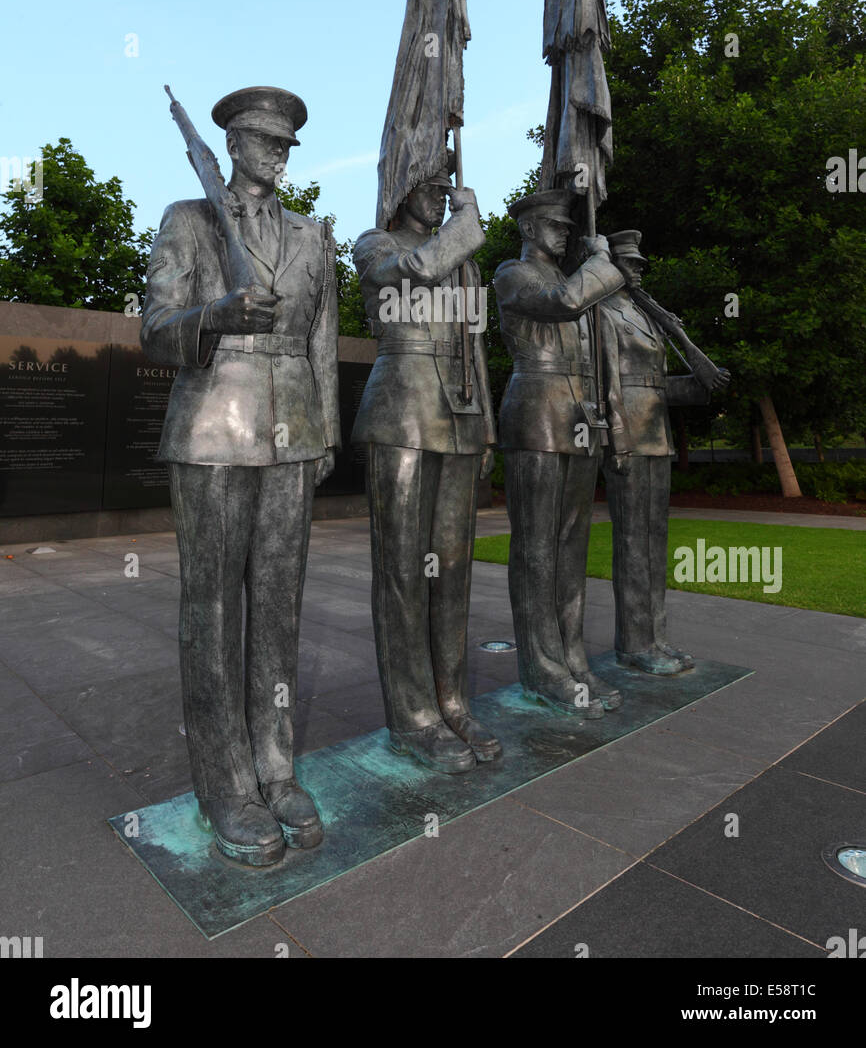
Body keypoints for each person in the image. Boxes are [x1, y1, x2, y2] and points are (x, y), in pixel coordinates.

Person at [141, 86, 339, 866]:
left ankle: (275, 766)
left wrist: (320, 433)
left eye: (287, 142)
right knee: (214, 611)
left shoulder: (311, 235)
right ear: (231, 144)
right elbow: (156, 332)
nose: (279, 152)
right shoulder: (188, 221)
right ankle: (225, 781)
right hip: (213, 425)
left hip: (293, 430)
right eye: (265, 140)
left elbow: (322, 336)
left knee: (280, 609)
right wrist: (216, 316)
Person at [352, 157, 501, 773]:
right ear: (399, 190)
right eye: (428, 188)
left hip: (460, 416)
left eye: (446, 191)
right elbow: (411, 271)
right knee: (402, 569)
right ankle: (413, 716)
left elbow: (476, 343)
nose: (439, 198)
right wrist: (466, 227)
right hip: (403, 411)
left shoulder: (463, 262)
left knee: (454, 569)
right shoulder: (376, 244)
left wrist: (487, 423)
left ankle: (452, 701)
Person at [493, 190, 625, 718]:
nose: (565, 232)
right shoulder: (512, 274)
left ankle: (573, 659)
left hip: (578, 416)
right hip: (537, 413)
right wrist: (600, 261)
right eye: (554, 224)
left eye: (568, 226)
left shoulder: (570, 279)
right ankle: (543, 668)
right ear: (528, 229)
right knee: (536, 548)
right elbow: (565, 303)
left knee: (571, 547)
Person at [600, 230, 730, 674]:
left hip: (656, 436)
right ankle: (635, 643)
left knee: (655, 543)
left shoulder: (650, 317)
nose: (637, 270)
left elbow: (655, 386)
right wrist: (616, 438)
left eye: (640, 264)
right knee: (633, 543)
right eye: (630, 263)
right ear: (612, 265)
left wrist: (699, 386)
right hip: (629, 438)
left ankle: (655, 636)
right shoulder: (603, 313)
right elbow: (607, 386)